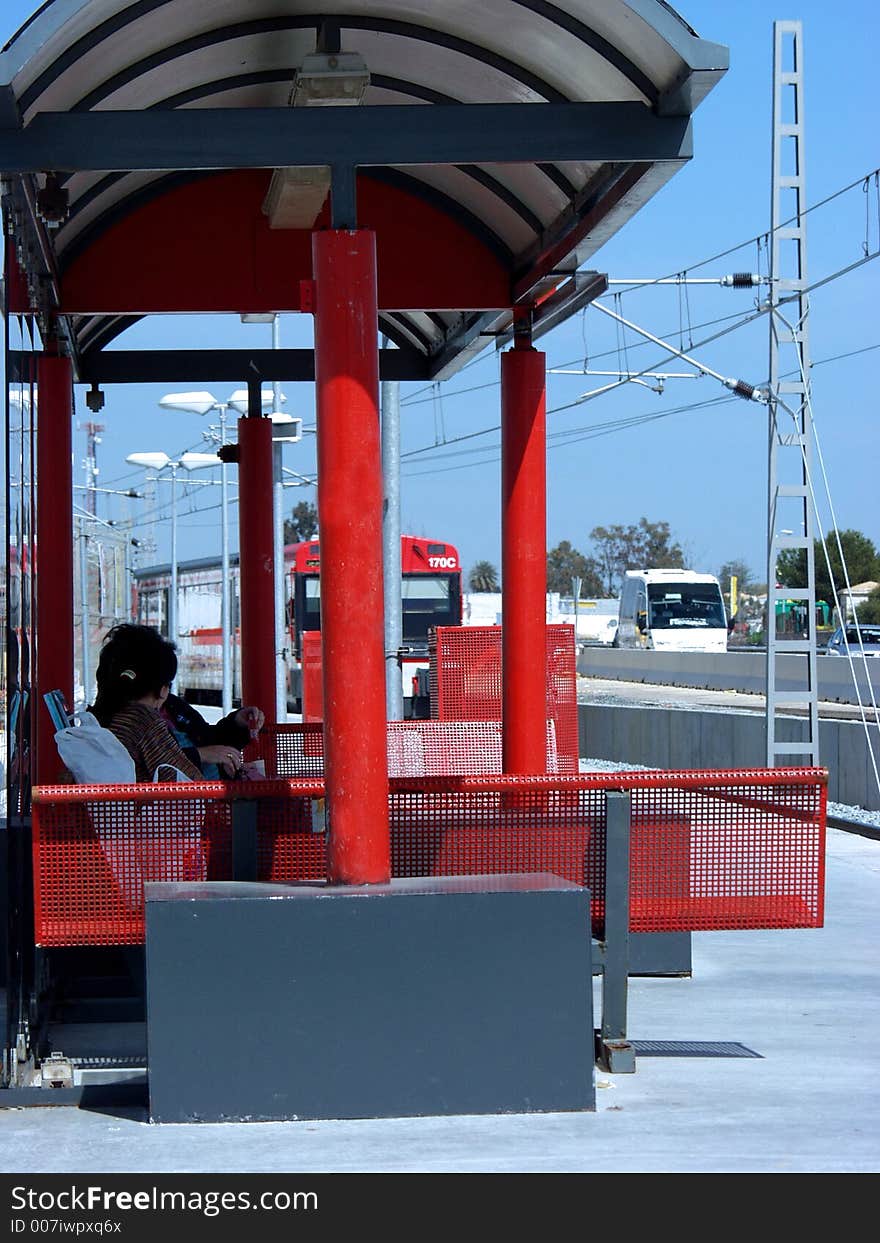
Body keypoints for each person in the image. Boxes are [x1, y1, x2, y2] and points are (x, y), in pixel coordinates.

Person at [92, 624, 263, 780]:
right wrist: (199, 755)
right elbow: (174, 774)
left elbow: (207, 738)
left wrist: (237, 724)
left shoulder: (169, 707)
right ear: (161, 689)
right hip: (181, 810)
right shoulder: (143, 720)